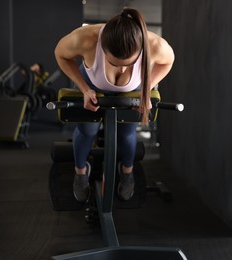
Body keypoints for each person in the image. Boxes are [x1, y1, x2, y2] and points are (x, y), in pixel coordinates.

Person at [54, 7, 175, 202]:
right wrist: (84, 88)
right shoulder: (87, 38)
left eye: (129, 64)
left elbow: (168, 61)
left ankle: (127, 171)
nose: (123, 68)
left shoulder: (154, 44)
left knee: (126, 134)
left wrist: (147, 88)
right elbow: (61, 54)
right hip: (93, 85)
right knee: (87, 131)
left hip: (131, 92)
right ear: (102, 47)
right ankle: (80, 171)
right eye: (115, 63)